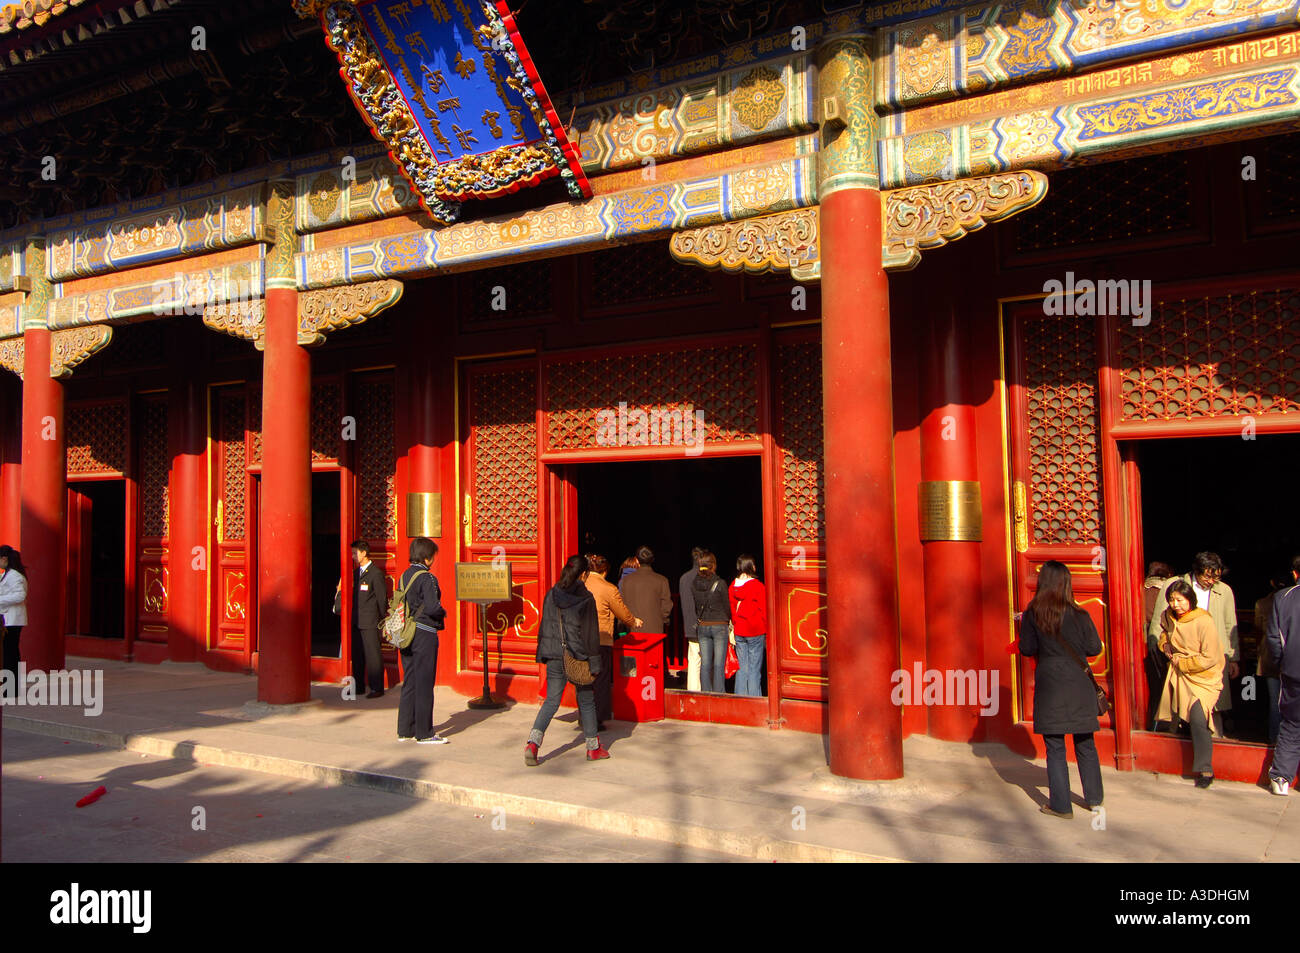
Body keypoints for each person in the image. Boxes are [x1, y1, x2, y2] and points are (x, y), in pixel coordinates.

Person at [1019, 561, 1105, 817]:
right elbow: (1094, 648)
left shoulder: (1034, 613)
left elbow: (1026, 648)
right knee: (1085, 743)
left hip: (1051, 685)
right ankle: (1094, 799)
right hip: (1079, 684)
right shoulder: (1080, 614)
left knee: (1055, 747)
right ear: (1067, 583)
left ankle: (1061, 805)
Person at [526, 555, 608, 765]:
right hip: (577, 655)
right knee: (587, 701)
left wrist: (543, 651)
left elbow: (544, 625)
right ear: (584, 574)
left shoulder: (552, 594)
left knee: (552, 701)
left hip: (554, 654)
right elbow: (591, 636)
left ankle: (533, 744)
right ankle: (593, 748)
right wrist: (595, 663)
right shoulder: (586, 598)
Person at [1148, 552, 1238, 730]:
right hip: (1180, 657)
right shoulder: (1174, 585)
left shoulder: (1224, 591)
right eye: (1207, 575)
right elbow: (1159, 625)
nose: (1211, 580)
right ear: (1196, 570)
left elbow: (1230, 625)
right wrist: (1161, 648)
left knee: (1212, 707)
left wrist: (1234, 658)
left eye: (1216, 576)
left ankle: (1214, 741)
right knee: (1178, 705)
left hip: (1210, 658)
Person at [1155, 579, 1224, 789]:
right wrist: (1164, 645)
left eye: (1180, 600)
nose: (1176, 604)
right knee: (1177, 717)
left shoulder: (1204, 621)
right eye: (1172, 600)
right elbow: (1164, 634)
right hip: (1180, 672)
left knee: (1197, 716)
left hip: (1204, 676)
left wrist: (1183, 663)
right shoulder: (1167, 615)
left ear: (1190, 600)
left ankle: (1205, 769)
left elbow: (1210, 657)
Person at [397, 537, 448, 745]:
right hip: (424, 632)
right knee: (425, 682)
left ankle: (405, 729)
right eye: (432, 556)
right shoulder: (427, 578)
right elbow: (432, 607)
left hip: (405, 632)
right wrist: (443, 612)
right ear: (427, 557)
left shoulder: (404, 575)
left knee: (409, 680)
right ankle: (424, 733)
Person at [582, 553, 642, 729]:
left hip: (580, 638)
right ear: (605, 571)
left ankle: (583, 715)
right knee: (600, 679)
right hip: (601, 638)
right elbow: (621, 612)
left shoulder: (580, 585)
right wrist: (634, 621)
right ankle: (597, 719)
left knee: (585, 679)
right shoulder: (608, 588)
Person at [1265, 555, 1300, 796]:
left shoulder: (1283, 598)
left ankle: (1281, 778)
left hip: (1293, 670)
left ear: (1295, 574)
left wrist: (1281, 663)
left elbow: (1274, 639)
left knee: (1292, 724)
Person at [343, 538, 388, 699]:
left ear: (363, 553)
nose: (353, 556)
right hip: (357, 620)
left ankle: (377, 687)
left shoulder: (375, 573)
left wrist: (382, 619)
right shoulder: (355, 574)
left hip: (370, 621)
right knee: (357, 655)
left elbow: (382, 599)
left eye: (355, 553)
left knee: (373, 655)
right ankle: (359, 686)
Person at [1255, 564, 1295, 744]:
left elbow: (1260, 628)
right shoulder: (1291, 600)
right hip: (1292, 658)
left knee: (1275, 701)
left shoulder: (1263, 603)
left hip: (1270, 657)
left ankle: (1274, 739)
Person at [691, 550, 731, 693]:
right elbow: (727, 606)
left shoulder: (694, 583)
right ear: (713, 565)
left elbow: (696, 605)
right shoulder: (720, 583)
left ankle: (705, 694)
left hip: (703, 626)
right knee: (718, 664)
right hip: (719, 625)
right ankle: (719, 695)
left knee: (705, 663)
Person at [1142, 561, 1176, 729]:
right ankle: (1162, 726)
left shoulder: (1140, 589)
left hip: (1140, 643)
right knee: (1163, 688)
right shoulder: (1167, 592)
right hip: (1159, 642)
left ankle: (1150, 724)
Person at [729, 554, 767, 697]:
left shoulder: (733, 586)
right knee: (754, 669)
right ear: (751, 567)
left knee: (742, 668)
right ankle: (754, 699)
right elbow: (764, 610)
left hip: (740, 630)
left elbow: (732, 610)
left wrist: (736, 623)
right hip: (756, 630)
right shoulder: (758, 586)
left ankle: (740, 698)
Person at [621, 545, 672, 636]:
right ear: (652, 560)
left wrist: (622, 627)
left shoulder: (626, 580)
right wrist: (663, 620)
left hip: (632, 631)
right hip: (655, 630)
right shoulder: (662, 580)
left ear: (637, 560)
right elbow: (666, 606)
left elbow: (622, 606)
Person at [0, 545, 28, 694]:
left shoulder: (14, 576)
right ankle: (9, 687)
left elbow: (19, 595)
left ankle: (10, 688)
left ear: (4, 559)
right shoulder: (8, 574)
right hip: (8, 619)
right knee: (9, 653)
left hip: (12, 620)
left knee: (10, 654)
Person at [678, 547, 705, 692]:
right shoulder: (705, 576)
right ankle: (708, 691)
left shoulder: (684, 578)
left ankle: (693, 692)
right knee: (707, 662)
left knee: (694, 661)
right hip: (706, 624)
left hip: (690, 625)